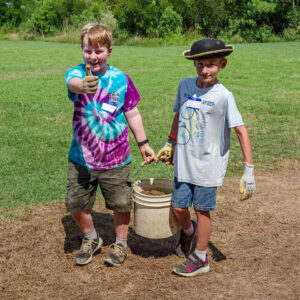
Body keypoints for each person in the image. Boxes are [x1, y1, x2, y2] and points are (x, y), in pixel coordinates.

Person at [156, 38, 256, 277]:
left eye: (211, 64)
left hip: (208, 166)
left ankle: (201, 258)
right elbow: (179, 115)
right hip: (184, 161)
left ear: (223, 64)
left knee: (202, 210)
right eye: (200, 64)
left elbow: (241, 130)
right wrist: (170, 142)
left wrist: (249, 170)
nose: (205, 70)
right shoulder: (185, 86)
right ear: (194, 65)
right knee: (179, 207)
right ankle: (189, 232)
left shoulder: (224, 95)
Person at [64, 23, 156, 267]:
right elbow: (72, 83)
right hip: (82, 157)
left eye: (99, 51)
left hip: (117, 156)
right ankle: (91, 238)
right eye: (88, 51)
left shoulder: (121, 79)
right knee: (75, 203)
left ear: (109, 50)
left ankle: (120, 243)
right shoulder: (76, 73)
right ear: (82, 50)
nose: (93, 56)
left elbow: (132, 113)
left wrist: (143, 143)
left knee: (120, 203)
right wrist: (83, 85)